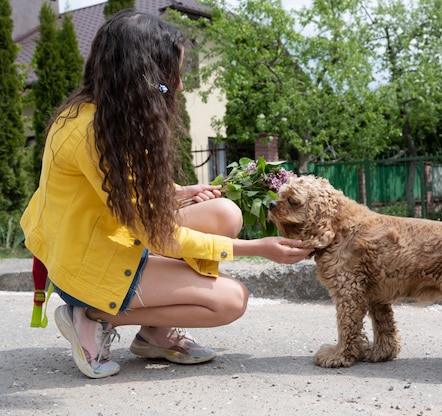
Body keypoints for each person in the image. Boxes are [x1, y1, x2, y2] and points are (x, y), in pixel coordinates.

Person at [20, 9, 312, 379]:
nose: (177, 87)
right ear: (140, 75)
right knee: (230, 300)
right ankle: (93, 315)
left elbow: (121, 189)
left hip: (107, 237)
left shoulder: (110, 115)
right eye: (169, 77)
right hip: (85, 264)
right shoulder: (90, 133)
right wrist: (259, 249)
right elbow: (155, 233)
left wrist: (180, 192)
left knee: (224, 214)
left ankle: (154, 332)